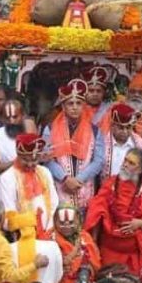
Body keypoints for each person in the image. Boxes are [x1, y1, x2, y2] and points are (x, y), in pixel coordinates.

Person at [84, 148, 142, 274]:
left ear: (140, 170)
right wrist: (93, 244)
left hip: (135, 253)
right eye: (125, 160)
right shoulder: (110, 183)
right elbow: (96, 211)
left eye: (131, 163)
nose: (125, 164)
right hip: (109, 251)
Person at [44, 79, 104, 210]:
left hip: (85, 188)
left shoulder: (95, 131)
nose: (75, 107)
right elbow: (46, 159)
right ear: (63, 106)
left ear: (84, 106)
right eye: (70, 103)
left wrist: (79, 179)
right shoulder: (50, 129)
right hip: (60, 187)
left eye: (79, 103)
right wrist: (65, 178)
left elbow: (99, 161)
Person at [0, 134, 58, 237]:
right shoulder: (7, 177)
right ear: (18, 156)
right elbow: (8, 215)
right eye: (25, 160)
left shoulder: (45, 172)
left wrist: (48, 230)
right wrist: (29, 227)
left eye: (34, 160)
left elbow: (54, 204)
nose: (30, 164)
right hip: (22, 236)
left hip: (49, 233)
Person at [52, 203, 100, 283]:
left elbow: (96, 264)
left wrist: (89, 268)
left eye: (71, 222)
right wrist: (73, 255)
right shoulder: (49, 238)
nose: (66, 226)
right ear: (55, 221)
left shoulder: (85, 237)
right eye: (62, 223)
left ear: (78, 221)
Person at [7, 210, 63, 283]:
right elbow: (58, 276)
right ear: (34, 230)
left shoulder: (8, 249)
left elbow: (8, 279)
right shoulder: (52, 246)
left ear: (14, 234)